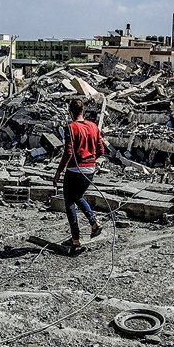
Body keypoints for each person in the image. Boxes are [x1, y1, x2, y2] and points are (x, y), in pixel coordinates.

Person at [52, 97, 106, 250]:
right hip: (90, 170)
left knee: (69, 202)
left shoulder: (70, 127)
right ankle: (94, 222)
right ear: (83, 111)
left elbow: (68, 152)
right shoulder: (94, 126)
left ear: (70, 113)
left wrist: (58, 172)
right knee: (78, 196)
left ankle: (75, 238)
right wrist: (89, 160)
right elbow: (101, 150)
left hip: (75, 170)